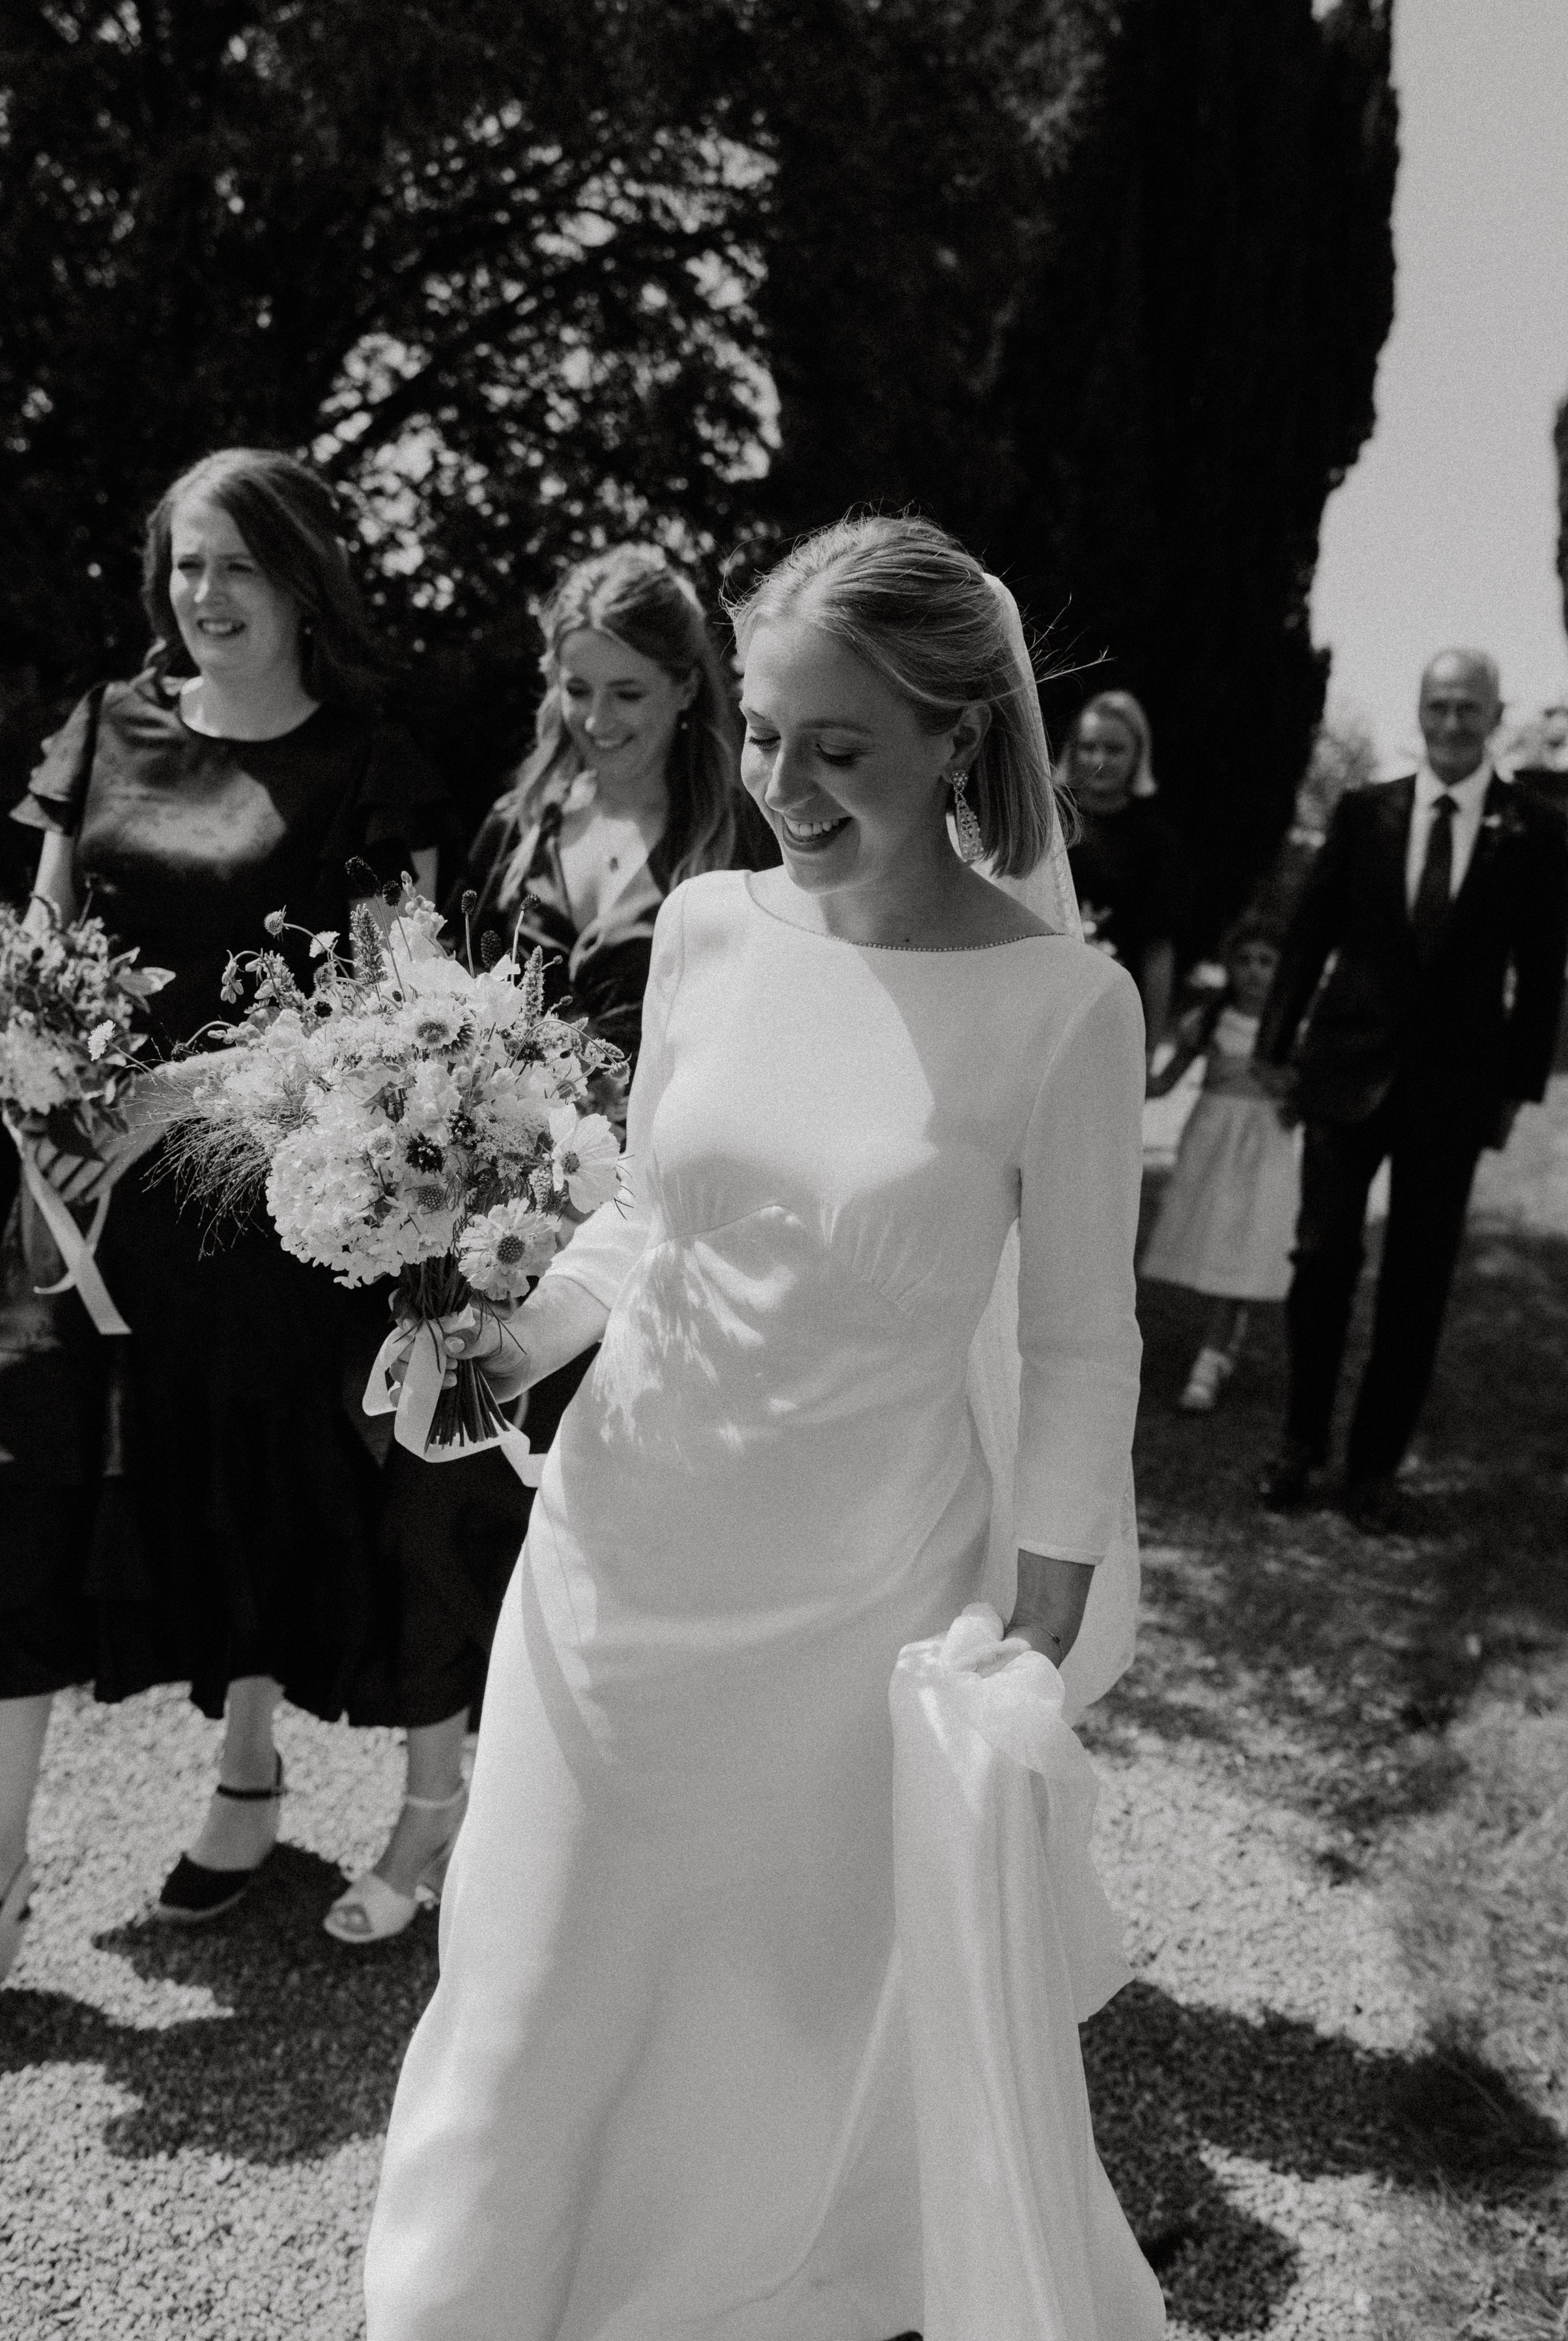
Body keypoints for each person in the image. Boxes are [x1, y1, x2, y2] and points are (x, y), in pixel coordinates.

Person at [362, 515, 1161, 2339]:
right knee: (528, 1977)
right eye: (770, 734)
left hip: (845, 1611)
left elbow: (1079, 1342)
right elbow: (642, 1223)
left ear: (959, 737)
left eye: (839, 745)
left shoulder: (1063, 1008)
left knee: (761, 2025)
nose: (784, 785)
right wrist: (509, 1342)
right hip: (611, 1557)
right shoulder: (712, 929)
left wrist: (1035, 1620)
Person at [0, 448, 449, 1975]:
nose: (204, 594)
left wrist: (157, 1111)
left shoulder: (363, 761)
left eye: (238, 565)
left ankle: (247, 1768)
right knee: (61, 1484)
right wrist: (46, 1097)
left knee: (245, 1467)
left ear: (304, 579)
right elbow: (41, 942)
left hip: (246, 1194)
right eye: (186, 563)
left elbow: (363, 1012)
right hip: (70, 1191)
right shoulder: (108, 725)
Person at [326, 544, 756, 1945]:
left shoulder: (736, 840)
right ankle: (430, 1802)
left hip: (652, 1241)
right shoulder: (522, 818)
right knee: (432, 1502)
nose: (595, 716)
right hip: (489, 1228)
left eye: (626, 690)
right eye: (572, 687)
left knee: (591, 1540)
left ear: (690, 690)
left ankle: (573, 1841)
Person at [1255, 648, 1568, 1522]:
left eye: (1470, 708)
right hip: (1345, 1069)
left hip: (1455, 1089)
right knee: (1321, 1260)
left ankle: (1371, 1470)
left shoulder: (1531, 832)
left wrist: (1518, 1088)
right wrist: (1277, 1040)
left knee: (1416, 1283)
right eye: (1438, 706)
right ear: (1420, 712)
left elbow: (1541, 973)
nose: (1452, 724)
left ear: (1497, 716)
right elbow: (1310, 931)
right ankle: (1299, 1444)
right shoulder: (1366, 814)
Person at [1141, 912, 1300, 1411]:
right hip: (1212, 1141)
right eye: (1245, 960)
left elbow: (1303, 1101)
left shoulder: (1293, 1028)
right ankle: (1221, 1341)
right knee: (1211, 1237)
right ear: (1229, 967)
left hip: (1264, 1145)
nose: (1254, 971)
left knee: (1244, 1242)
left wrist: (1282, 1087)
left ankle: (1210, 1359)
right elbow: (1162, 1084)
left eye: (1266, 962)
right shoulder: (1208, 1022)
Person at [1055, 688, 1191, 1060]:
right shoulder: (1041, 818)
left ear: (1138, 755)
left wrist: (1148, 1048)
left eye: (1114, 750)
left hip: (1105, 1014)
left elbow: (1158, 949)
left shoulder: (1156, 841)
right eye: (1088, 746)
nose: (1099, 760)